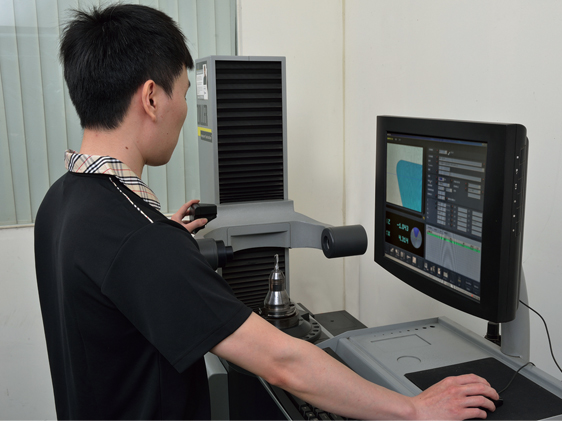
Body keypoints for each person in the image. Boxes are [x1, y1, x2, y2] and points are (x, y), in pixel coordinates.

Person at [34, 4, 499, 420]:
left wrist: (161, 241)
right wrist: (414, 410)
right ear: (152, 98)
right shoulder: (142, 243)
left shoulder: (61, 202)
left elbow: (109, 288)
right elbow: (283, 362)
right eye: (183, 93)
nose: (185, 111)